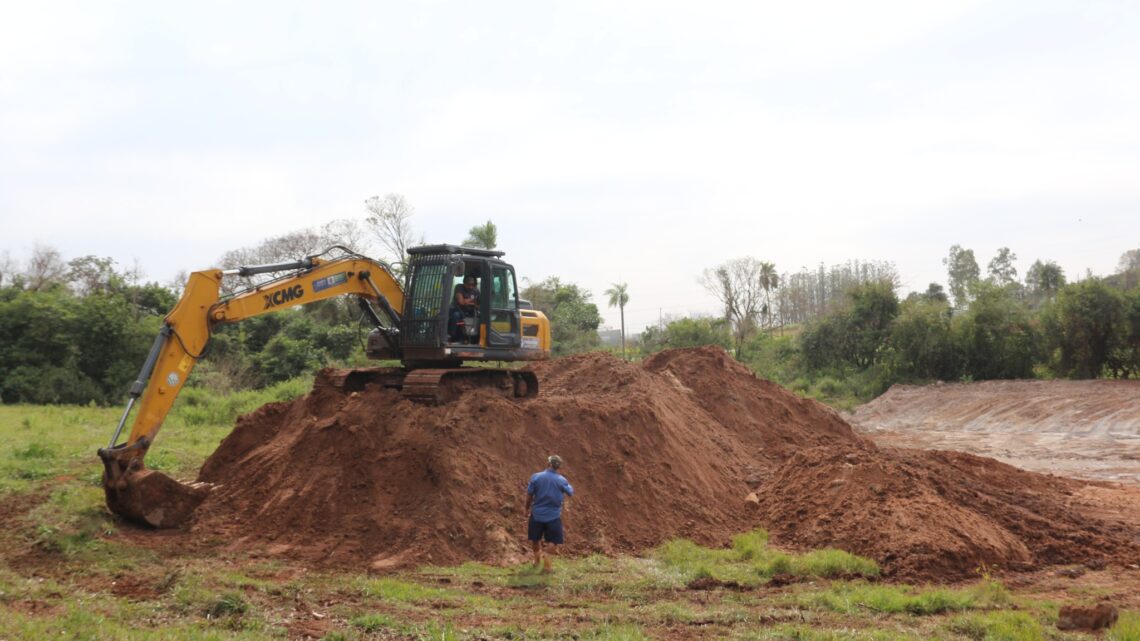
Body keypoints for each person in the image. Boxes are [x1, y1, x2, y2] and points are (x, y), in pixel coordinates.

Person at [525, 454, 573, 573]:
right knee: (554, 541)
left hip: (537, 514)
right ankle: (547, 564)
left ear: (548, 464)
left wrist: (526, 509)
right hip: (553, 516)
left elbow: (529, 495)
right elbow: (570, 492)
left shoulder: (536, 477)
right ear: (558, 467)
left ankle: (536, 561)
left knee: (535, 538)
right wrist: (566, 485)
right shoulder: (561, 480)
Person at [449, 275, 479, 342]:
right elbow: (461, 302)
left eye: (472, 285)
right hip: (457, 310)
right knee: (456, 315)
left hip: (470, 312)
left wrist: (468, 302)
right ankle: (452, 336)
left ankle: (473, 338)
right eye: (468, 285)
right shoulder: (459, 287)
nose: (471, 287)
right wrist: (472, 301)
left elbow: (479, 304)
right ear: (464, 283)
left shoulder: (476, 290)